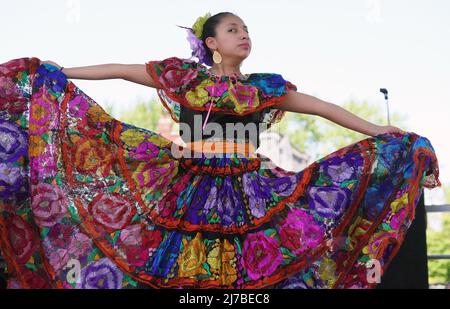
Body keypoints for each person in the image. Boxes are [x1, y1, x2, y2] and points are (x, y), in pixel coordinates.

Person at [0, 11, 441, 289]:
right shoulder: (185, 78)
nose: (244, 35)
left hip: (251, 189)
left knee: (248, 271)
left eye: (247, 30)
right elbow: (122, 70)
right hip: (188, 185)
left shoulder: (264, 87)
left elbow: (322, 108)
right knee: (181, 268)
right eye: (233, 30)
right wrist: (60, 71)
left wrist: (377, 128)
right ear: (211, 43)